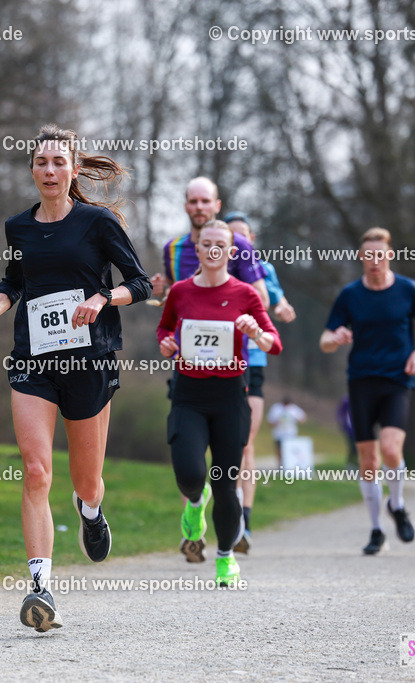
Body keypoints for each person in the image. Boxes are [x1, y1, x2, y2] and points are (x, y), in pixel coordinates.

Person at [0, 124, 151, 631]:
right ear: (32, 169)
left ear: (72, 169)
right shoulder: (19, 227)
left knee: (85, 481)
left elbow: (139, 282)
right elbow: (13, 281)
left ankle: (91, 512)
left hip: (88, 361)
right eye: (41, 162)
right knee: (35, 471)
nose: (49, 171)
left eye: (58, 162)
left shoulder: (97, 223)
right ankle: (40, 589)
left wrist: (101, 298)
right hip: (34, 360)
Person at [157, 220, 281, 586]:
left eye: (220, 245)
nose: (213, 250)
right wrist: (166, 344)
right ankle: (196, 504)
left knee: (226, 484)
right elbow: (164, 329)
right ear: (198, 249)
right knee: (191, 475)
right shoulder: (180, 291)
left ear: (231, 252)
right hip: (189, 396)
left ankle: (226, 558)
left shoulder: (246, 294)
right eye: (206, 243)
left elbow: (274, 343)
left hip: (230, 397)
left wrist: (255, 333)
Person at [320, 227, 415, 555]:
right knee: (368, 460)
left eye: (379, 254)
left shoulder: (407, 290)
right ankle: (376, 530)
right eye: (368, 255)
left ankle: (397, 504)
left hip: (396, 381)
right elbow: (325, 339)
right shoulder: (350, 295)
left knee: (390, 449)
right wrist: (335, 339)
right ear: (361, 257)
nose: (373, 260)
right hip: (361, 382)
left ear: (389, 255)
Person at [224, 211, 297, 553]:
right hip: (220, 361)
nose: (237, 245)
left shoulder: (264, 269)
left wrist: (282, 306)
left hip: (252, 360)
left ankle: (245, 520)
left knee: (245, 441)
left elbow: (276, 296)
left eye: (243, 238)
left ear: (251, 241)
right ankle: (225, 512)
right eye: (231, 238)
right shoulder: (214, 270)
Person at [149, 178, 269, 308]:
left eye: (205, 201)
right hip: (187, 327)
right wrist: (162, 289)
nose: (199, 207)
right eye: (193, 202)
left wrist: (219, 302)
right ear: (186, 206)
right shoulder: (172, 248)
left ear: (217, 206)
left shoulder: (239, 244)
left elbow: (262, 300)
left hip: (229, 327)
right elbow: (173, 290)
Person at [267, 398, 307, 467]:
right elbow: (270, 422)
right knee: (279, 451)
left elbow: (303, 418)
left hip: (291, 434)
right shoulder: (276, 408)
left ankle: (290, 465)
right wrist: (276, 422)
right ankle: (280, 465)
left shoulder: (293, 409)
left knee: (289, 451)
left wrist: (297, 420)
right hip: (279, 434)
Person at [336, 396, 359, 469]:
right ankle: (351, 465)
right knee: (353, 448)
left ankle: (359, 465)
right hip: (350, 429)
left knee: (362, 447)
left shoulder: (365, 398)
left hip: (362, 428)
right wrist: (343, 425)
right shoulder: (347, 400)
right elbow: (340, 413)